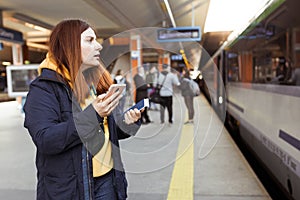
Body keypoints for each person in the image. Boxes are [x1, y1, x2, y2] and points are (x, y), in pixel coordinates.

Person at [23, 19, 142, 200]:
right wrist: (93, 115)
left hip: (108, 181)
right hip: (71, 188)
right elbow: (46, 139)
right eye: (89, 40)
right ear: (69, 45)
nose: (99, 47)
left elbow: (108, 131)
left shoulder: (94, 81)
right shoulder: (44, 88)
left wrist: (127, 123)